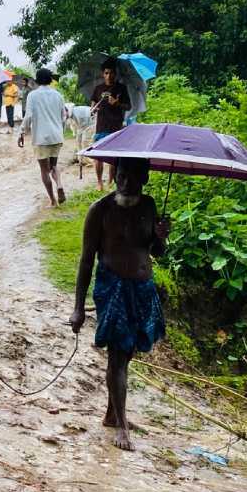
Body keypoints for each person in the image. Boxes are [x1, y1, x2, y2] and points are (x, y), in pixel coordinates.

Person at [70, 157, 170, 452]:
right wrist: (78, 307)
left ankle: (113, 412)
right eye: (122, 174)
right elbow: (86, 261)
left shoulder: (150, 206)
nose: (126, 182)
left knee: (127, 353)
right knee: (117, 354)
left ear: (145, 178)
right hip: (111, 288)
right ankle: (122, 425)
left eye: (133, 176)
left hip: (142, 290)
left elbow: (157, 252)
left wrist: (162, 237)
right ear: (115, 176)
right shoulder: (99, 210)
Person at [17, 68, 67, 207]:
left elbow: (29, 116)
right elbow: (64, 116)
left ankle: (53, 200)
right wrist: (60, 130)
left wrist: (21, 132)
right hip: (57, 136)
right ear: (50, 79)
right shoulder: (58, 95)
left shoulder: (33, 95)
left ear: (37, 80)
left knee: (44, 170)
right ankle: (60, 185)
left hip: (41, 138)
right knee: (54, 165)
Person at [91, 59, 131, 191]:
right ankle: (99, 183)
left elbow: (128, 106)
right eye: (107, 73)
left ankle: (110, 182)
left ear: (116, 74)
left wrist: (117, 103)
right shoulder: (98, 89)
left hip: (115, 127)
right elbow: (92, 105)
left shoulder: (121, 88)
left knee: (113, 157)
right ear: (103, 74)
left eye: (112, 73)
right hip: (100, 126)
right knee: (98, 156)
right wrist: (93, 109)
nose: (109, 76)